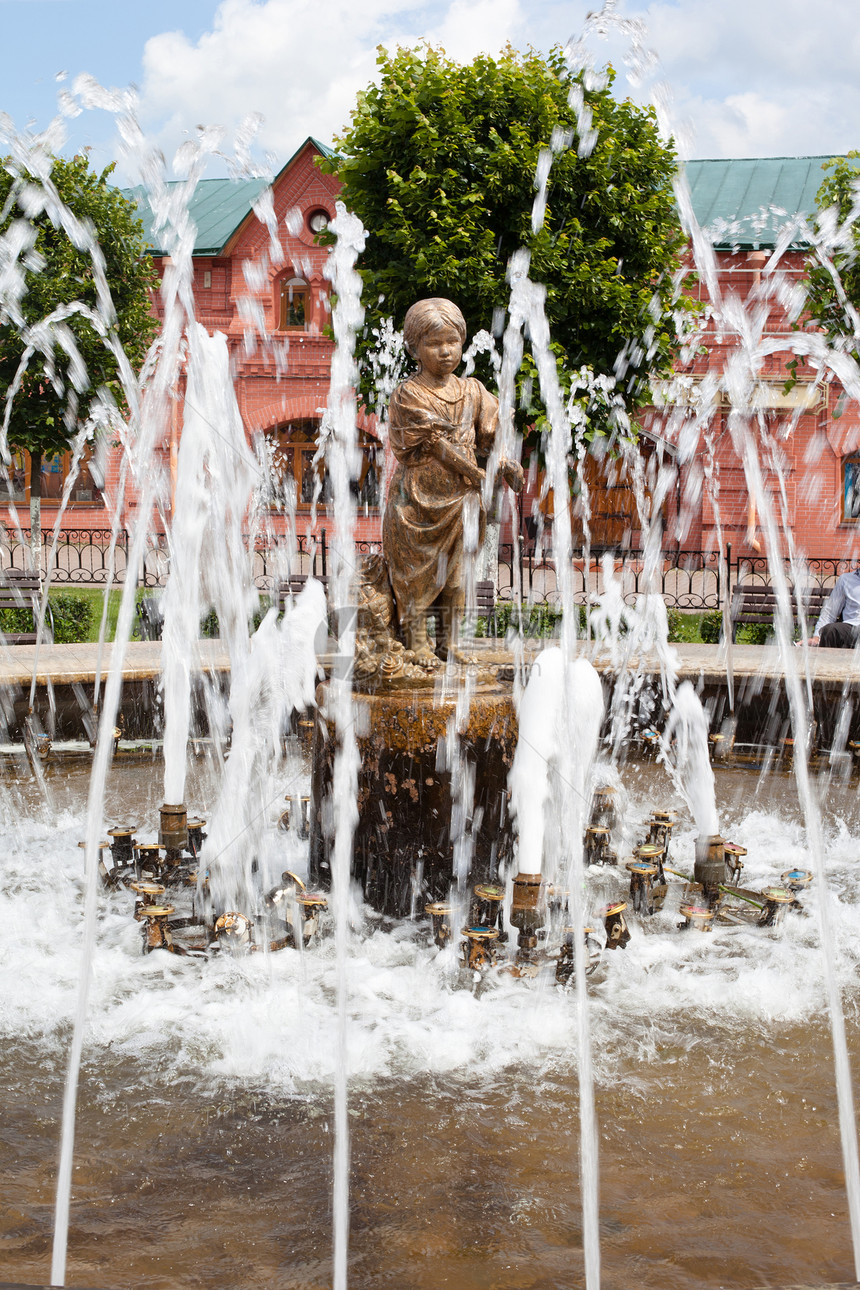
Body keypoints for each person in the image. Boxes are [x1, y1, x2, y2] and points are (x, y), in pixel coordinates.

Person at [383, 298, 523, 662]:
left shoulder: (473, 391)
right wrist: (476, 473)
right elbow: (437, 446)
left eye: (452, 342)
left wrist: (504, 463)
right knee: (416, 575)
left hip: (461, 502)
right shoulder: (408, 394)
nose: (445, 352)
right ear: (414, 348)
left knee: (457, 578)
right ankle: (416, 644)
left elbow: (488, 440)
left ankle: (451, 641)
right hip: (416, 503)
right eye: (433, 344)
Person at [801, 566, 860, 647]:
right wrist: (817, 637)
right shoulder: (846, 579)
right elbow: (830, 612)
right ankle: (824, 659)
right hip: (851, 628)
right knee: (831, 630)